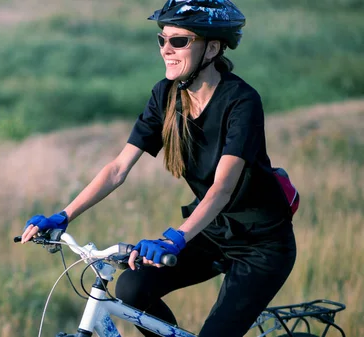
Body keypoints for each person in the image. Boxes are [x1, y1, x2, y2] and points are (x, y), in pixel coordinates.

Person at [20, 0, 297, 336]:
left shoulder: (241, 101)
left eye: (179, 41)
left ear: (211, 48)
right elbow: (118, 168)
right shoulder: (166, 95)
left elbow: (222, 188)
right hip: (212, 231)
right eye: (162, 39)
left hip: (261, 245)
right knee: (132, 288)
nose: (166, 49)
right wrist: (64, 215)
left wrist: (174, 238)